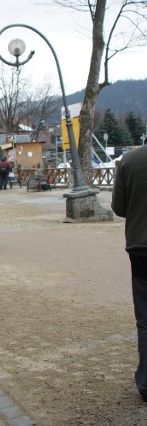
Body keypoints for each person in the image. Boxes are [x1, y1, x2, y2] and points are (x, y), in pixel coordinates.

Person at [111, 145, 147, 402]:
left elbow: (119, 208)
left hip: (141, 246)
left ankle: (146, 381)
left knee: (145, 320)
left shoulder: (130, 160)